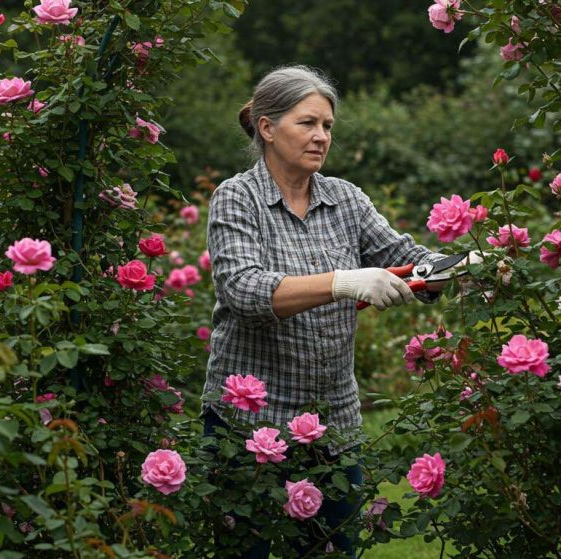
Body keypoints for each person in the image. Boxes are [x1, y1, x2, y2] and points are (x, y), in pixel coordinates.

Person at [202, 65, 475, 558]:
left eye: (327, 126)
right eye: (307, 123)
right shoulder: (237, 198)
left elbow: (402, 254)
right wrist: (345, 282)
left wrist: (456, 266)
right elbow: (243, 289)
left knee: (334, 549)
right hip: (251, 425)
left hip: (334, 422)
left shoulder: (344, 199)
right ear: (267, 127)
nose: (321, 136)